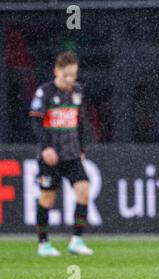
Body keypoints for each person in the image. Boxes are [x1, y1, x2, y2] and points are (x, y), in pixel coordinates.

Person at [29, 51, 93, 257]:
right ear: (57, 71)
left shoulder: (77, 92)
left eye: (73, 75)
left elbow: (80, 122)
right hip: (50, 155)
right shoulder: (45, 92)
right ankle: (43, 243)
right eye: (66, 75)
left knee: (84, 190)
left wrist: (82, 149)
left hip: (72, 154)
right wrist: (46, 147)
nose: (69, 80)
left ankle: (76, 240)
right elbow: (36, 121)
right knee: (47, 197)